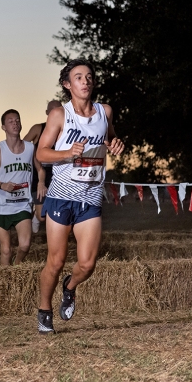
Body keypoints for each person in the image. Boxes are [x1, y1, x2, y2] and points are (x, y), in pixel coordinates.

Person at [35, 59, 125, 334]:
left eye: (88, 77)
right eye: (78, 77)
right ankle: (44, 309)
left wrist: (116, 143)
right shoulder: (59, 115)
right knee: (56, 260)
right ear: (67, 84)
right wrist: (67, 153)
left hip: (91, 196)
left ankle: (69, 287)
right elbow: (41, 153)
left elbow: (109, 138)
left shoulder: (104, 111)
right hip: (62, 196)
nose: (85, 81)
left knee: (87, 264)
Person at [0, 109, 46, 266]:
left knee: (24, 245)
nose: (15, 123)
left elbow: (40, 169)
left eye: (17, 120)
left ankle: (16, 267)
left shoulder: (30, 147)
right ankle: (5, 281)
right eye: (10, 121)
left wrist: (41, 182)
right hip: (2, 205)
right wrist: (2, 185)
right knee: (6, 250)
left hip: (22, 204)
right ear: (3, 127)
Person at [23, 100, 63, 233]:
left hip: (58, 172)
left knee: (58, 209)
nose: (56, 113)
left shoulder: (66, 131)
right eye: (52, 111)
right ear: (47, 113)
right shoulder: (38, 128)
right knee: (41, 216)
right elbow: (22, 146)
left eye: (59, 109)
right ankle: (36, 216)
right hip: (38, 172)